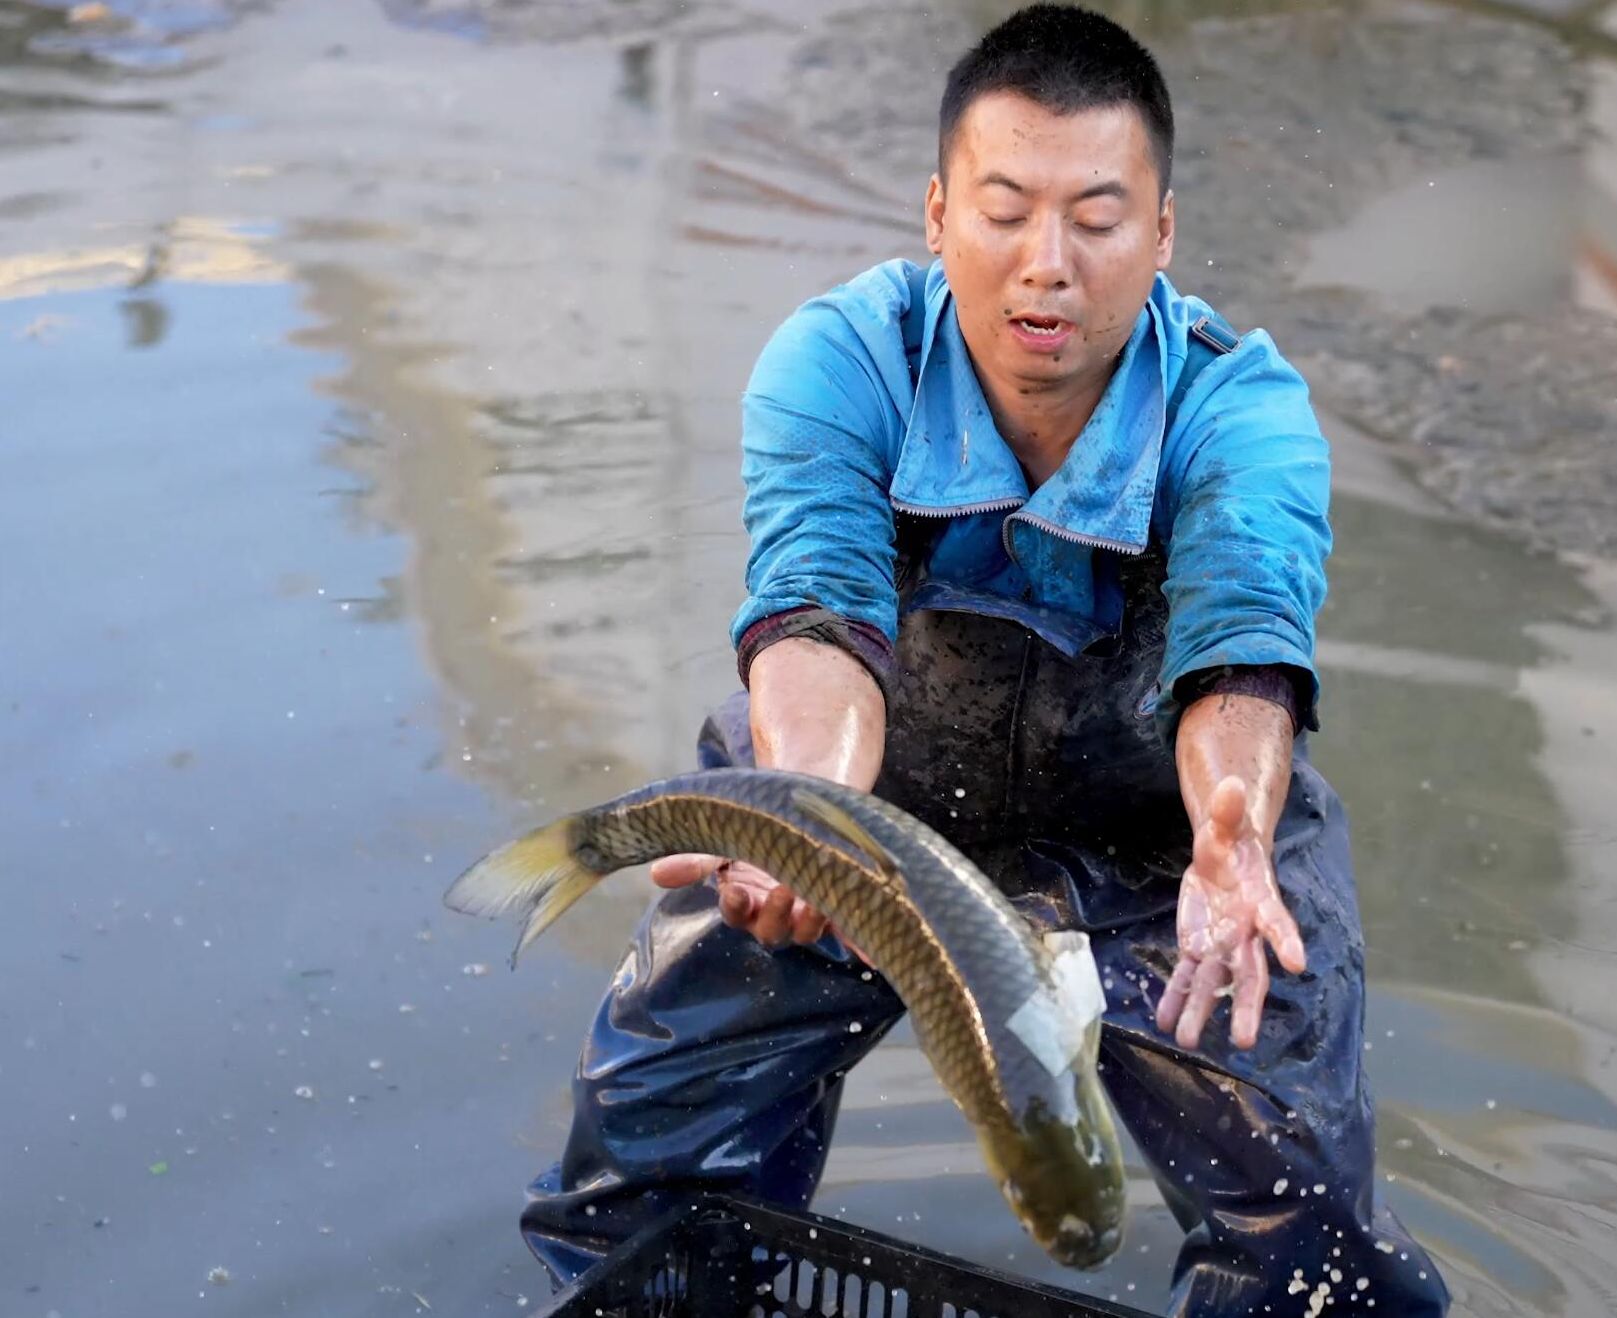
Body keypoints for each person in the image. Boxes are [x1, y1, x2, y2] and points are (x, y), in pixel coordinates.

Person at [520, 6, 1450, 1314]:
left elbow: (1241, 649)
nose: (1047, 267)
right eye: (1006, 210)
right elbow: (814, 620)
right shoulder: (840, 362)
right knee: (649, 1162)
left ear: (1165, 232)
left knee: (1313, 1244)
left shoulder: (1243, 411)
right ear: (939, 213)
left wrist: (1231, 825)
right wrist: (814, 815)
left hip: (1167, 845)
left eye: (1098, 217)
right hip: (869, 807)